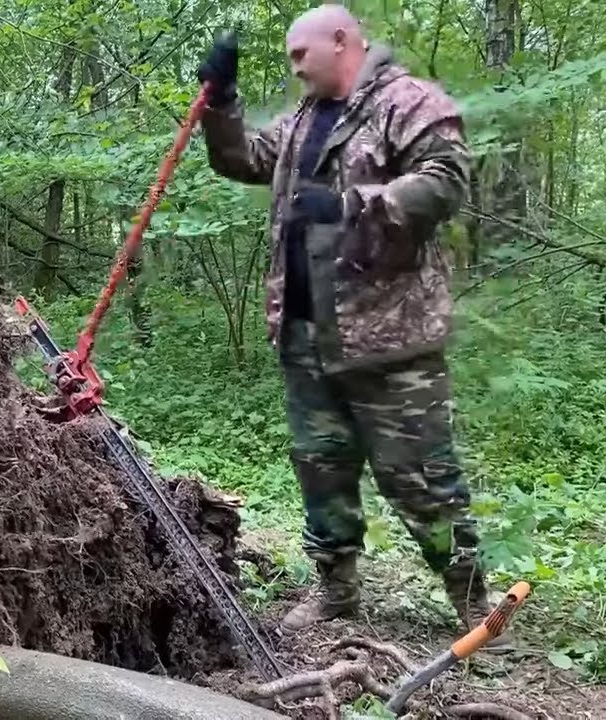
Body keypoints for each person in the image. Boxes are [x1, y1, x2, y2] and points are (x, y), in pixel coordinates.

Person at [195, 5, 507, 647]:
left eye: (298, 55)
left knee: (420, 476)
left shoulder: (409, 103)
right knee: (322, 466)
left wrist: (352, 203)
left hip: (390, 339)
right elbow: (245, 159)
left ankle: (473, 603)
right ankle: (336, 591)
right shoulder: (306, 118)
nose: (294, 68)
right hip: (308, 333)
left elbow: (446, 184)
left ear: (342, 41)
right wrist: (221, 102)